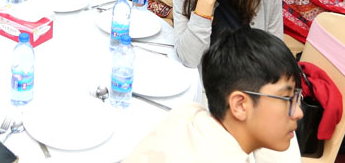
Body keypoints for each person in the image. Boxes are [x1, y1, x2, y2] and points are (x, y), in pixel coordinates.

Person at [126, 27, 303, 163]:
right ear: (240, 105)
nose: (298, 113)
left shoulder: (186, 113)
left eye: (296, 98)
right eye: (287, 99)